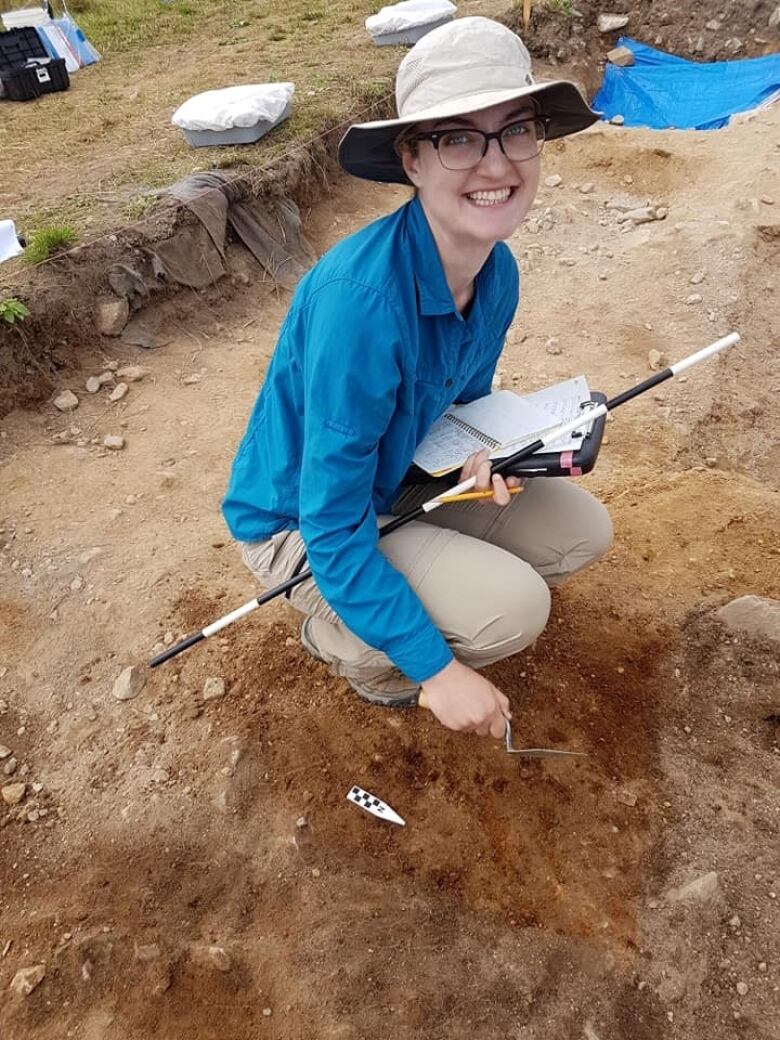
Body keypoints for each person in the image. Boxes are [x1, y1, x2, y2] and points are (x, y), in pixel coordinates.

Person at [222, 17, 613, 741]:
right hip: (301, 525)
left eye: (515, 129)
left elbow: (461, 407)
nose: (496, 165)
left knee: (579, 533)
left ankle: (421, 593)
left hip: (397, 475)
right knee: (514, 610)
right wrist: (436, 672)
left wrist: (488, 454)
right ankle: (358, 652)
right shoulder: (360, 307)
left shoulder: (497, 273)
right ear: (412, 160)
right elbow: (333, 527)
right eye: (459, 137)